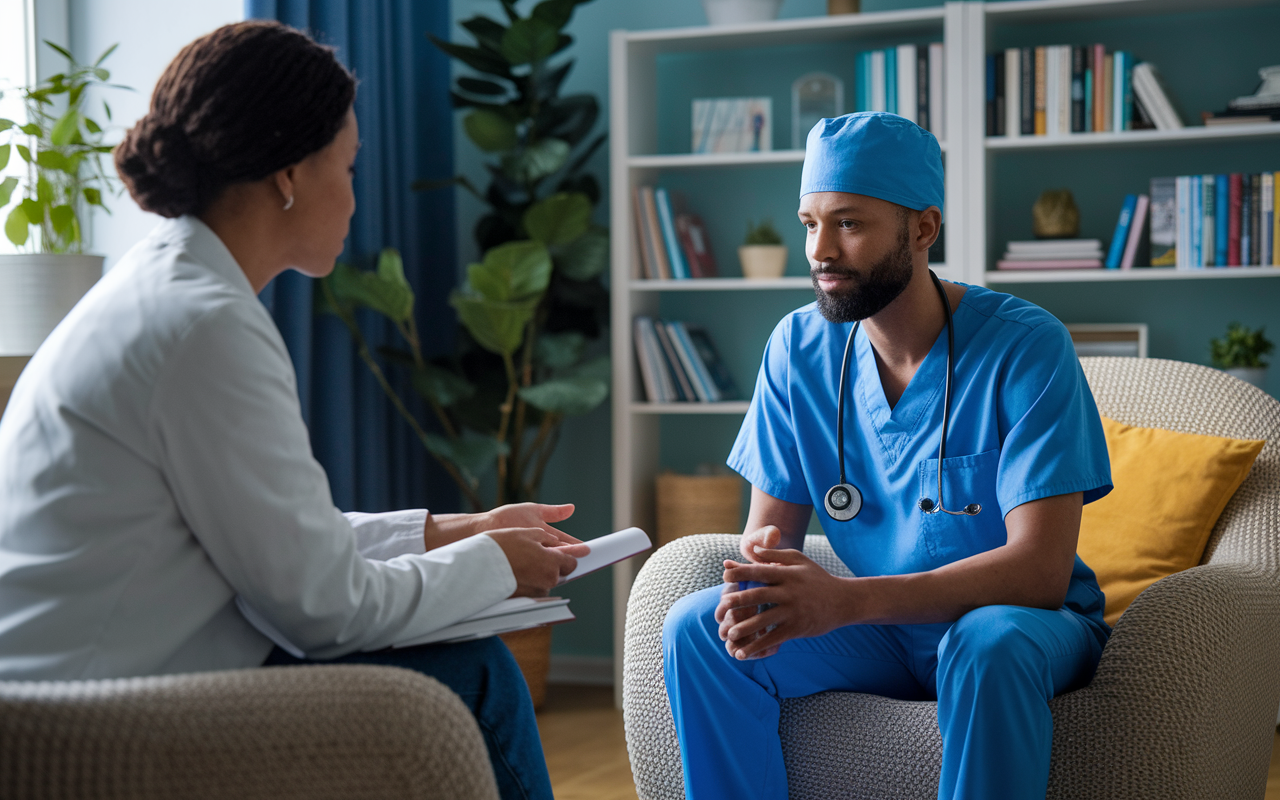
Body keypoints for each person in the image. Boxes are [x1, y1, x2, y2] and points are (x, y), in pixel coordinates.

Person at [0, 21, 574, 800]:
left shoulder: (172, 290)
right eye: (348, 165)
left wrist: (453, 531)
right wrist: (493, 568)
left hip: (66, 683)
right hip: (91, 718)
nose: (354, 195)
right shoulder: (204, 323)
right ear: (289, 175)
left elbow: (268, 544)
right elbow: (324, 611)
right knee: (472, 674)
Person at [661, 112, 1113, 800]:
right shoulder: (795, 348)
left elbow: (1041, 572)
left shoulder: (1029, 347)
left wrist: (847, 601)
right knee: (697, 629)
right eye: (810, 223)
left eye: (849, 223)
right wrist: (759, 580)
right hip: (884, 632)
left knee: (987, 642)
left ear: (923, 229)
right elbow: (770, 537)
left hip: (1023, 628)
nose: (820, 250)